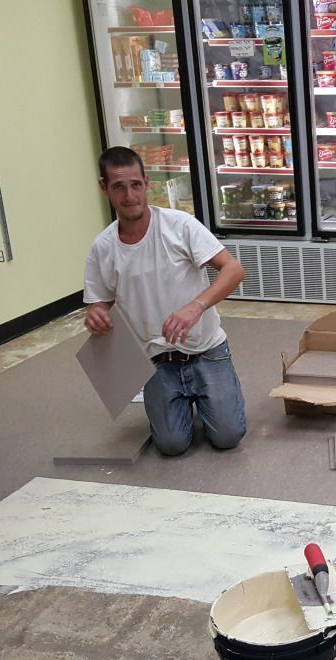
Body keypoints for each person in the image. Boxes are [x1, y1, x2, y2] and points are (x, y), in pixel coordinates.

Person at [83, 146, 247, 456]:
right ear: (104, 187)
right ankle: (185, 401)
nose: (129, 195)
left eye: (135, 185)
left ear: (146, 183)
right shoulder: (103, 247)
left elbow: (234, 270)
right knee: (171, 445)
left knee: (228, 436)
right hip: (157, 360)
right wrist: (97, 314)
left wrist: (196, 306)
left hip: (206, 349)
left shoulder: (180, 226)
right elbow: (99, 301)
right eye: (119, 187)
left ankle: (212, 393)